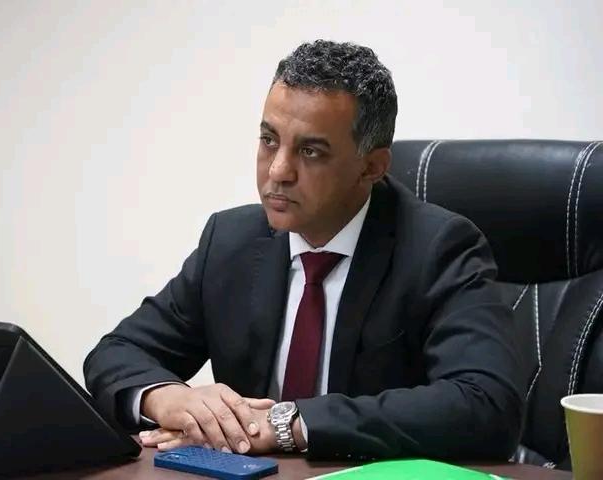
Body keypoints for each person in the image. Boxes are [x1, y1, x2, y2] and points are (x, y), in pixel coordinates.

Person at [84, 40, 524, 461]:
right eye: (269, 140)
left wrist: (289, 425)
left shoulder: (437, 249)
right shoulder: (231, 241)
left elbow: (486, 403)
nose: (278, 170)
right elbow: (116, 353)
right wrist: (168, 398)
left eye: (310, 151)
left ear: (372, 167)